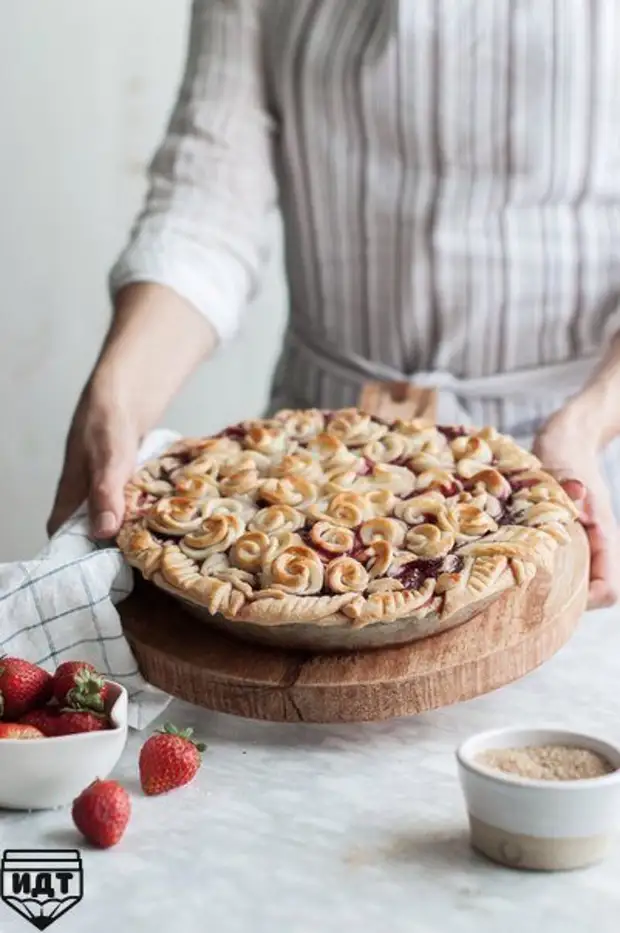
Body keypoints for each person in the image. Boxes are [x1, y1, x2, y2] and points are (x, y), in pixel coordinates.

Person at [47, 0, 620, 609]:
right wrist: (121, 388)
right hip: (294, 489)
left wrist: (590, 420)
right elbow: (207, 205)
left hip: (578, 461)